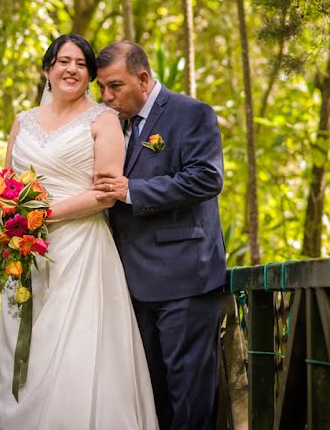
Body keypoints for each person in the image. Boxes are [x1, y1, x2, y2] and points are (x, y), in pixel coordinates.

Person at [0, 34, 158, 429]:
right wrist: (5, 218)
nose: (70, 69)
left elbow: (106, 194)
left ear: (90, 75)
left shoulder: (102, 120)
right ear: (47, 70)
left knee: (75, 350)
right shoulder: (22, 122)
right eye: (62, 61)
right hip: (27, 255)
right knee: (23, 348)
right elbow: (6, 181)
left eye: (80, 63)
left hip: (81, 253)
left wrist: (39, 216)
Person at [93, 41, 227, 430]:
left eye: (114, 86)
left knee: (190, 397)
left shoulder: (191, 114)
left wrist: (131, 191)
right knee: (151, 399)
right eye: (101, 88)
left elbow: (207, 177)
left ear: (144, 78)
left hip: (184, 278)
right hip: (130, 286)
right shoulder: (114, 125)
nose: (107, 97)